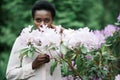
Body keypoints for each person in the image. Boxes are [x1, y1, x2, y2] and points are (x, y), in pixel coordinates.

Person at [6, 0, 62, 80]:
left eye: (46, 20)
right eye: (38, 20)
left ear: (52, 20)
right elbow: (10, 75)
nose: (42, 24)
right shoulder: (23, 40)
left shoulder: (60, 40)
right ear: (33, 20)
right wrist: (32, 65)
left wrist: (60, 30)